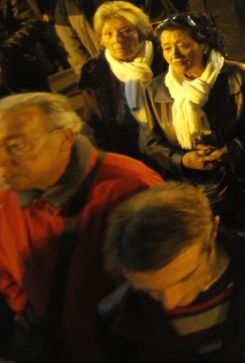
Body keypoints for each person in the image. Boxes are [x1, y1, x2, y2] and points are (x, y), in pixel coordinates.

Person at [0, 92, 162, 363]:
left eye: (16, 146)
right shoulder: (5, 203)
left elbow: (166, 281)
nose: (2, 162)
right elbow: (7, 278)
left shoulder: (130, 186)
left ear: (65, 138)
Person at [98, 182, 245, 362]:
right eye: (150, 290)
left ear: (212, 231)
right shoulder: (117, 318)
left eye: (185, 277)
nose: (170, 303)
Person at [140, 14, 245, 227]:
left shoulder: (240, 77)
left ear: (204, 45)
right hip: (196, 195)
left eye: (183, 45)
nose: (174, 55)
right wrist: (183, 160)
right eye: (167, 48)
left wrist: (233, 149)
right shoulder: (156, 90)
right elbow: (151, 142)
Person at [79, 1, 165, 161]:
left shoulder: (165, 56)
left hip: (175, 153)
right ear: (101, 39)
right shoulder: (94, 72)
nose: (117, 39)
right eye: (108, 34)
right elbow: (96, 127)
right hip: (130, 157)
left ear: (140, 32)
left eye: (126, 31)